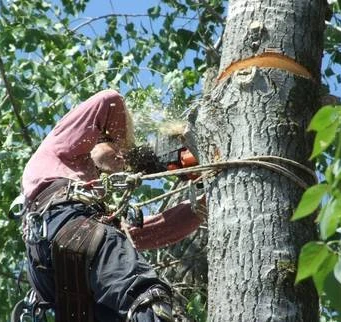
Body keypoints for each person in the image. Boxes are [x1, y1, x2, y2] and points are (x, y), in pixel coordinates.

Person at [19, 89, 205, 322]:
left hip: (61, 284)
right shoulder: (57, 153)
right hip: (59, 234)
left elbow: (141, 234)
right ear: (95, 140)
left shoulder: (90, 210)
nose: (119, 157)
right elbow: (109, 100)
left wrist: (199, 208)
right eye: (113, 147)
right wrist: (132, 154)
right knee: (146, 300)